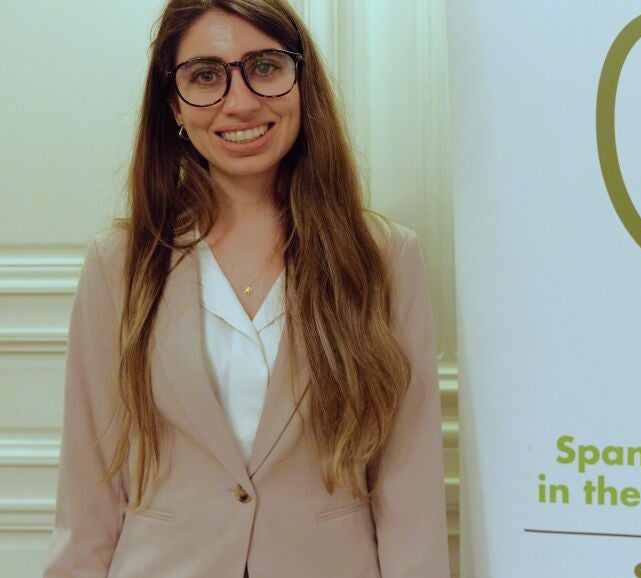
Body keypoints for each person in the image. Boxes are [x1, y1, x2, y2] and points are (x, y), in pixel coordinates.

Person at [42, 1, 450, 577]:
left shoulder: (383, 257)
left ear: (301, 83)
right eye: (205, 76)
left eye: (264, 67)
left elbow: (409, 484)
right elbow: (88, 494)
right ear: (174, 105)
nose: (239, 102)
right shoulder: (121, 264)